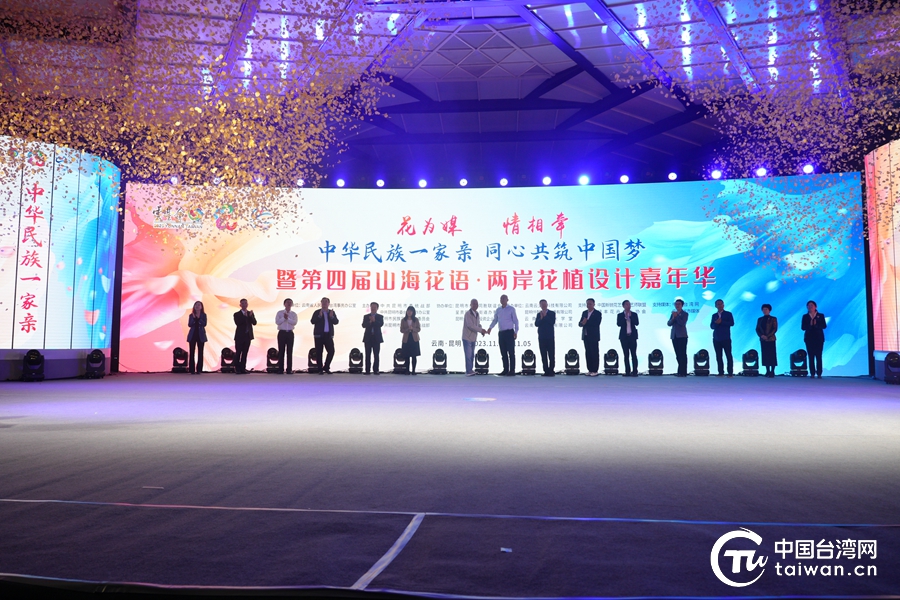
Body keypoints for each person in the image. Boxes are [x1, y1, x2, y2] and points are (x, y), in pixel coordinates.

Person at [488, 294, 519, 376]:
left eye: (504, 299)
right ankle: (505, 370)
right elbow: (495, 320)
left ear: (507, 300)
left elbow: (515, 321)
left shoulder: (511, 309)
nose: (502, 300)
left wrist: (516, 332)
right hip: (501, 333)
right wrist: (490, 328)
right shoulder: (498, 310)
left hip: (509, 332)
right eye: (501, 299)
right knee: (503, 352)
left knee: (511, 352)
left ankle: (512, 370)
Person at [311, 297, 339, 374]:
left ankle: (326, 367)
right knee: (319, 352)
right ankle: (320, 369)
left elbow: (336, 322)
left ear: (328, 303)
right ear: (321, 303)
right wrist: (319, 316)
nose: (324, 303)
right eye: (323, 302)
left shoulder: (331, 312)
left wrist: (332, 317)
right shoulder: (317, 312)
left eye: (326, 302)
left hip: (328, 335)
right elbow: (312, 321)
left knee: (331, 351)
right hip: (319, 335)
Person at [801, 300, 827, 379]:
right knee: (811, 356)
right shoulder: (805, 316)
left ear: (816, 306)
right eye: (808, 306)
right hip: (809, 338)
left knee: (819, 356)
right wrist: (810, 325)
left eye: (811, 305)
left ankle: (819, 373)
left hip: (819, 338)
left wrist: (816, 325)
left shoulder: (820, 315)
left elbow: (824, 326)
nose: (810, 307)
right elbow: (803, 327)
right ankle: (812, 373)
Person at [709, 299, 735, 377]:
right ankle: (721, 372)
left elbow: (731, 323)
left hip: (726, 338)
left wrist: (722, 322)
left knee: (728, 355)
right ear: (715, 306)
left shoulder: (728, 314)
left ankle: (730, 372)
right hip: (716, 338)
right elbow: (712, 326)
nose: (720, 306)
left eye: (721, 304)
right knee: (718, 356)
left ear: (723, 305)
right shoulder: (714, 315)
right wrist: (717, 323)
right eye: (718, 304)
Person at [462, 299, 487, 376]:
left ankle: (470, 370)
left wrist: (481, 330)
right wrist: (481, 330)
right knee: (468, 355)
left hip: (473, 338)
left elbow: (477, 324)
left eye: (476, 304)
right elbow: (470, 326)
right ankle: (468, 371)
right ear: (470, 305)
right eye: (474, 304)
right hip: (467, 337)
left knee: (472, 355)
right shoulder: (468, 314)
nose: (475, 305)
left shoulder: (477, 314)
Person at [233, 298, 256, 374]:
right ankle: (237, 368)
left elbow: (254, 323)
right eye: (242, 303)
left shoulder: (250, 313)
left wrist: (251, 316)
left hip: (247, 336)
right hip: (239, 336)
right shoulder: (237, 314)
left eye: (245, 303)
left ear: (247, 304)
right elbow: (238, 323)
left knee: (245, 353)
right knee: (238, 352)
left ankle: (243, 368)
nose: (244, 305)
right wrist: (245, 316)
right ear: (240, 305)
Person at [579, 298, 602, 376]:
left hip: (594, 336)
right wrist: (582, 323)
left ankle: (595, 370)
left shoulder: (597, 313)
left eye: (590, 304)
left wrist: (586, 322)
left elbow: (596, 323)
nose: (588, 305)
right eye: (587, 304)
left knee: (594, 353)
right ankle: (590, 369)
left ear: (594, 304)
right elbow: (580, 323)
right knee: (588, 353)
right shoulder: (584, 313)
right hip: (585, 335)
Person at [616, 300, 639, 377]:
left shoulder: (634, 314)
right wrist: (625, 318)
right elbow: (618, 324)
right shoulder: (620, 315)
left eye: (629, 304)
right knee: (626, 355)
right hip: (624, 337)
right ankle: (627, 371)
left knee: (633, 354)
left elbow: (637, 323)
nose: (628, 306)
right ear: (623, 306)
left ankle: (635, 371)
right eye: (626, 304)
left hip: (632, 337)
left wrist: (630, 317)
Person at [275, 298, 298, 374]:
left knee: (289, 352)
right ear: (284, 304)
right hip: (282, 333)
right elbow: (277, 322)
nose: (289, 304)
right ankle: (280, 369)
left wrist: (287, 318)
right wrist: (283, 318)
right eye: (287, 302)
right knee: (281, 351)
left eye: (290, 302)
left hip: (290, 333)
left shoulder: (294, 314)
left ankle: (289, 369)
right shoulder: (280, 313)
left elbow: (294, 323)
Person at [534, 299, 556, 376]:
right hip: (541, 337)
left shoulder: (552, 313)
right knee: (543, 354)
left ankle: (551, 370)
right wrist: (541, 318)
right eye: (542, 304)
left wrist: (545, 316)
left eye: (544, 304)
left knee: (551, 354)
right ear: (540, 305)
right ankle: (546, 370)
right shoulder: (538, 314)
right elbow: (536, 324)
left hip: (550, 336)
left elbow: (552, 322)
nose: (543, 305)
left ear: (547, 304)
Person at [668, 299, 689, 377]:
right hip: (674, 336)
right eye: (676, 304)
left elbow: (682, 323)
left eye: (679, 304)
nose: (677, 305)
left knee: (682, 354)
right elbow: (669, 323)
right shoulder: (674, 314)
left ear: (682, 305)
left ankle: (684, 372)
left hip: (682, 336)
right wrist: (673, 318)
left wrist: (676, 317)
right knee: (677, 354)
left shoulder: (685, 314)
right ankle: (680, 371)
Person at [756, 303, 778, 378]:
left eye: (766, 309)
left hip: (771, 339)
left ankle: (772, 371)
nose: (765, 311)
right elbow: (757, 329)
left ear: (769, 310)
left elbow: (774, 329)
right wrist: (761, 335)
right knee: (765, 355)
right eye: (763, 309)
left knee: (772, 355)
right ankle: (767, 370)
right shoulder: (760, 319)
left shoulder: (773, 318)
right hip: (763, 340)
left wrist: (767, 336)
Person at [361, 302, 384, 374]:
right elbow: (363, 325)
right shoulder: (366, 316)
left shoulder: (380, 317)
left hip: (376, 338)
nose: (373, 308)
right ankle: (367, 370)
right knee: (367, 355)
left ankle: (376, 370)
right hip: (368, 338)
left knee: (376, 355)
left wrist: (374, 321)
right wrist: (370, 321)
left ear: (377, 308)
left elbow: (380, 324)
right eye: (372, 307)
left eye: (375, 307)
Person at [400, 305, 421, 375]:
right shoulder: (403, 320)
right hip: (406, 339)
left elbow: (418, 329)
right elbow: (401, 330)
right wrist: (407, 329)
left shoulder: (416, 320)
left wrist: (413, 329)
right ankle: (407, 370)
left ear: (413, 312)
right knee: (406, 355)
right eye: (408, 311)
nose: (409, 312)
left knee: (414, 355)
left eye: (411, 311)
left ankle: (413, 370)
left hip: (414, 339)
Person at [187, 300, 207, 374]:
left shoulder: (203, 315)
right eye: (196, 305)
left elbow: (204, 324)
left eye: (199, 305)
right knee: (192, 352)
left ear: (201, 307)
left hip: (200, 335)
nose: (197, 306)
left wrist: (199, 319)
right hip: (192, 335)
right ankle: (191, 369)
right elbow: (189, 324)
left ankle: (199, 369)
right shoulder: (191, 315)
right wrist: (194, 319)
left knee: (200, 352)